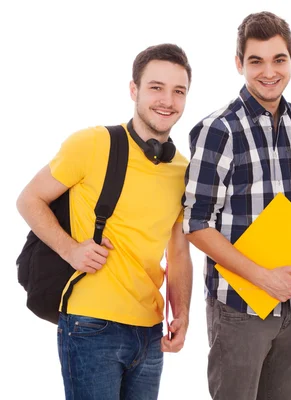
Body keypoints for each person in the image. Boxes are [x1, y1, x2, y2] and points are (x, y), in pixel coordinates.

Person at [16, 43, 194, 400]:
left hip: (150, 331)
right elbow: (29, 199)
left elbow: (178, 252)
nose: (167, 100)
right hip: (90, 324)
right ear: (134, 90)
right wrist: (70, 250)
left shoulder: (183, 171)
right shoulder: (92, 144)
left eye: (178, 91)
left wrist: (183, 313)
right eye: (156, 87)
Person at [182, 11, 291, 400]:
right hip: (239, 308)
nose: (268, 72)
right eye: (255, 60)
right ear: (239, 63)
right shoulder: (219, 129)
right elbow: (195, 222)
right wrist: (262, 276)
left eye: (278, 59)